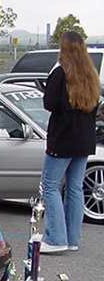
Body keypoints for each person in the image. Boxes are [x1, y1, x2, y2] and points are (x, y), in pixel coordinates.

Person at [40, 31, 100, 254]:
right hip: (84, 140)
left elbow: (49, 103)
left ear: (63, 48)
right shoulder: (90, 73)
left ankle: (56, 238)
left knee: (50, 186)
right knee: (75, 188)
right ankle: (72, 238)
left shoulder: (59, 71)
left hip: (63, 139)